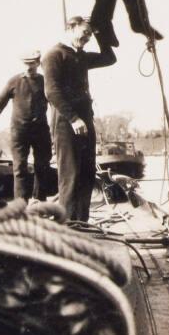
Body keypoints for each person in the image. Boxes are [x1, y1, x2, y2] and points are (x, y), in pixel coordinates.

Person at [42, 16, 116, 222]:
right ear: (71, 28)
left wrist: (100, 32)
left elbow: (109, 58)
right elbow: (51, 92)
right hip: (67, 123)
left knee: (87, 173)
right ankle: (67, 225)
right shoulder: (54, 55)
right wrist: (74, 118)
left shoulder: (80, 56)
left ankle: (81, 222)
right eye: (85, 32)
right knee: (70, 174)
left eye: (90, 34)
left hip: (85, 121)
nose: (88, 37)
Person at [0, 51, 52, 201]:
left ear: (38, 63)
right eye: (26, 63)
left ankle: (39, 201)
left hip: (41, 130)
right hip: (19, 131)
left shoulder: (45, 81)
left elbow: (55, 101)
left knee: (42, 165)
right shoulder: (14, 81)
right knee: (19, 168)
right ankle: (20, 204)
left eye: (32, 63)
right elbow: (0, 102)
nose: (29, 66)